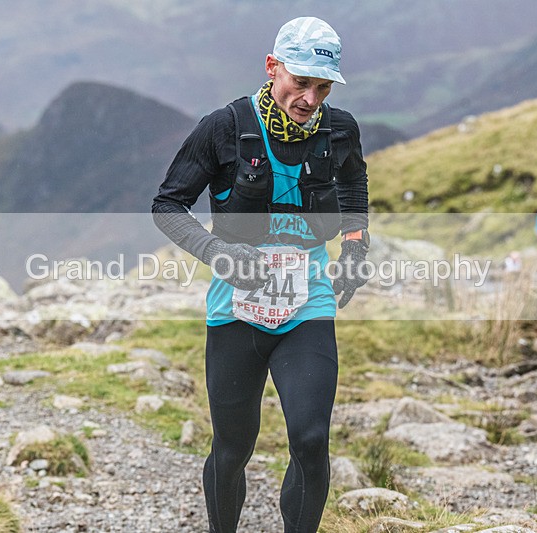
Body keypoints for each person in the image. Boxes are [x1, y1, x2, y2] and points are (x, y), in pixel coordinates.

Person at [152, 16, 369, 533]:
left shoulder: (340, 130)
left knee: (311, 441)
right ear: (273, 67)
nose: (310, 98)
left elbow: (353, 184)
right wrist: (218, 253)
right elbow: (167, 206)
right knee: (232, 448)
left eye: (323, 87)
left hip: (308, 306)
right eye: (301, 82)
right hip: (236, 311)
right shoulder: (224, 127)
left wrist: (355, 246)